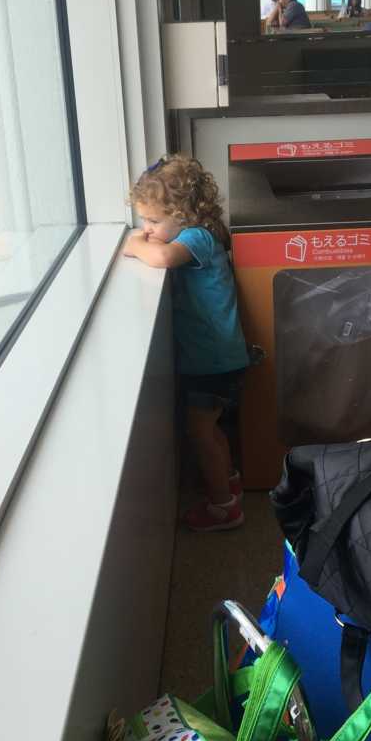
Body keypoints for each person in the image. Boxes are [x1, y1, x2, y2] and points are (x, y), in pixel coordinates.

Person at [124, 154, 250, 532]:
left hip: (211, 361)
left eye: (153, 221)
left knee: (201, 433)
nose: (146, 228)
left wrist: (133, 245)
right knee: (212, 429)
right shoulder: (201, 232)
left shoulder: (197, 238)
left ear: (183, 214)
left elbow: (160, 256)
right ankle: (228, 482)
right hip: (221, 357)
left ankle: (223, 507)